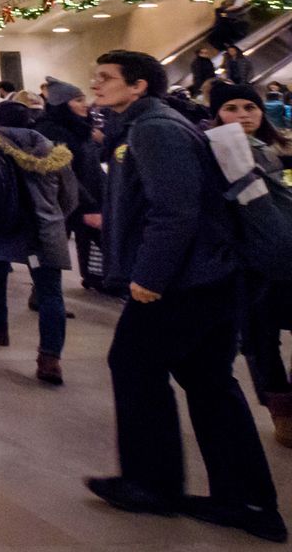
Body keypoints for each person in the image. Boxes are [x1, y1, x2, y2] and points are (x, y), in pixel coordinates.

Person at [85, 50, 283, 542]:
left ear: (138, 86)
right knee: (209, 381)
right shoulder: (152, 124)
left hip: (186, 281)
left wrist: (150, 276)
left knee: (134, 365)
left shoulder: (154, 129)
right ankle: (246, 501)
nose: (96, 85)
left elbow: (175, 211)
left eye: (106, 78)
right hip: (211, 276)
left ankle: (152, 485)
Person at [0, 101, 79, 385]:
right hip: (42, 231)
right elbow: (70, 195)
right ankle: (50, 359)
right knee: (50, 293)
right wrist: (54, 216)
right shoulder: (51, 151)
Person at [209, 80, 292, 449]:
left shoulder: (269, 148)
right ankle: (282, 411)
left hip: (281, 251)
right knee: (261, 335)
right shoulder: (221, 149)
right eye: (232, 108)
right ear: (217, 114)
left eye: (250, 107)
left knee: (263, 334)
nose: (243, 115)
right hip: (252, 260)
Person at [37, 78, 105, 291]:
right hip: (61, 202)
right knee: (52, 254)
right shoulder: (51, 131)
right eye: (78, 100)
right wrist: (88, 206)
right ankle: (45, 296)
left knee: (97, 242)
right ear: (62, 105)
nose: (85, 104)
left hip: (84, 199)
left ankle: (99, 279)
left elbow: (91, 167)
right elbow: (64, 175)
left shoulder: (80, 128)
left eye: (83, 99)